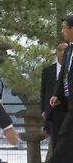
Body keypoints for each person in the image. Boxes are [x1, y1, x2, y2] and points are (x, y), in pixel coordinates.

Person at [49, 15, 73, 163]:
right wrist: (56, 94)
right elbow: (63, 74)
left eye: (64, 28)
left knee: (64, 137)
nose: (62, 31)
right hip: (67, 102)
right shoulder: (69, 50)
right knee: (64, 137)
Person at [40, 42, 68, 162]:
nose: (62, 52)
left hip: (67, 110)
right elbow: (43, 92)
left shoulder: (69, 71)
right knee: (54, 141)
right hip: (52, 112)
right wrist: (43, 110)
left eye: (65, 50)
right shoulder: (48, 71)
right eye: (59, 50)